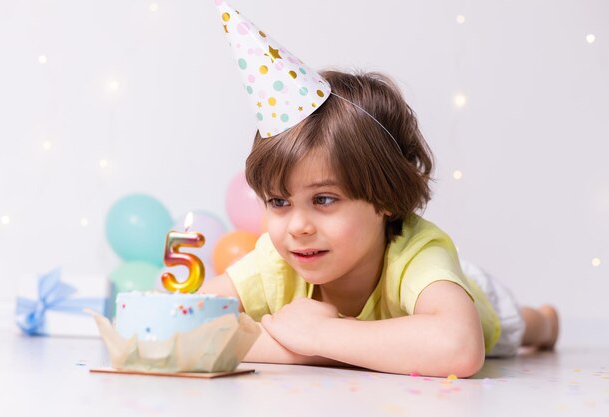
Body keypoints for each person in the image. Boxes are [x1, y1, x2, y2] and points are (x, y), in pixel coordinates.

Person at [205, 3, 558, 377]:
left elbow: (458, 348)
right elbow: (186, 318)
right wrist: (307, 347)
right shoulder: (274, 261)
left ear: (386, 198)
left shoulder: (418, 255)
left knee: (519, 324)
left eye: (324, 199)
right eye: (279, 201)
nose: (297, 226)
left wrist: (322, 333)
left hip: (468, 293)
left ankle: (546, 321)